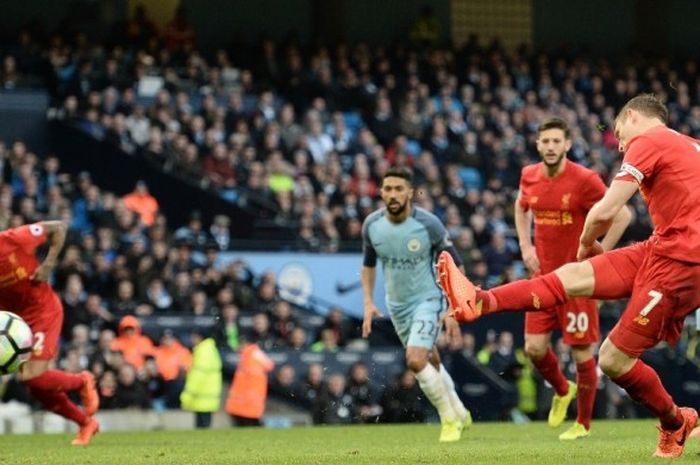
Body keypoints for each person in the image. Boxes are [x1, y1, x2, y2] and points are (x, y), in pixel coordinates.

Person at [438, 94, 700, 458]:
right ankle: (480, 300)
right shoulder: (690, 144)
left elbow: (607, 208)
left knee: (611, 359)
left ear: (633, 116)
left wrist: (587, 241)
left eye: (619, 131)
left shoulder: (647, 141)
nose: (620, 142)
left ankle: (675, 423)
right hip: (661, 248)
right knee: (569, 277)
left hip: (682, 263)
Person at [514, 117, 631, 439]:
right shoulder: (529, 176)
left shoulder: (584, 179)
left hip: (577, 281)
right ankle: (562, 389)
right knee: (534, 350)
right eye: (545, 141)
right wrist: (525, 245)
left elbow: (622, 214)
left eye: (556, 141)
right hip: (542, 278)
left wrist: (602, 253)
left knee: (582, 354)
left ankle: (582, 424)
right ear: (538, 145)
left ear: (567, 144)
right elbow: (520, 206)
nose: (550, 147)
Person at [361, 166, 471, 443]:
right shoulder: (371, 226)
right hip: (396, 306)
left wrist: (453, 308)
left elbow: (456, 265)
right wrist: (367, 301)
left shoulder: (429, 224)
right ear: (381, 193)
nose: (393, 194)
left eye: (399, 189)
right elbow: (368, 265)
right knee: (429, 357)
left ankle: (448, 418)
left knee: (415, 360)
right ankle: (458, 407)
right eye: (388, 189)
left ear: (410, 192)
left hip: (428, 299)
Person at [0, 221, 99, 445]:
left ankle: (82, 380)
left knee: (31, 376)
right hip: (12, 323)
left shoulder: (13, 239)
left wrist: (48, 264)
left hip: (42, 310)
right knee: (36, 387)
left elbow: (58, 227)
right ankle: (86, 423)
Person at [225, 335, 274, 427]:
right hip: (246, 397)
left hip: (251, 396)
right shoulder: (246, 355)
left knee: (250, 422)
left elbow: (269, 365)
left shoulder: (254, 353)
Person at [180, 327, 222, 428]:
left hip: (202, 397)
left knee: (202, 427)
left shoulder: (203, 351)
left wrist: (187, 395)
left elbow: (198, 375)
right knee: (204, 426)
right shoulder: (210, 349)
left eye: (193, 336)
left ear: (199, 337)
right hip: (207, 397)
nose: (191, 339)